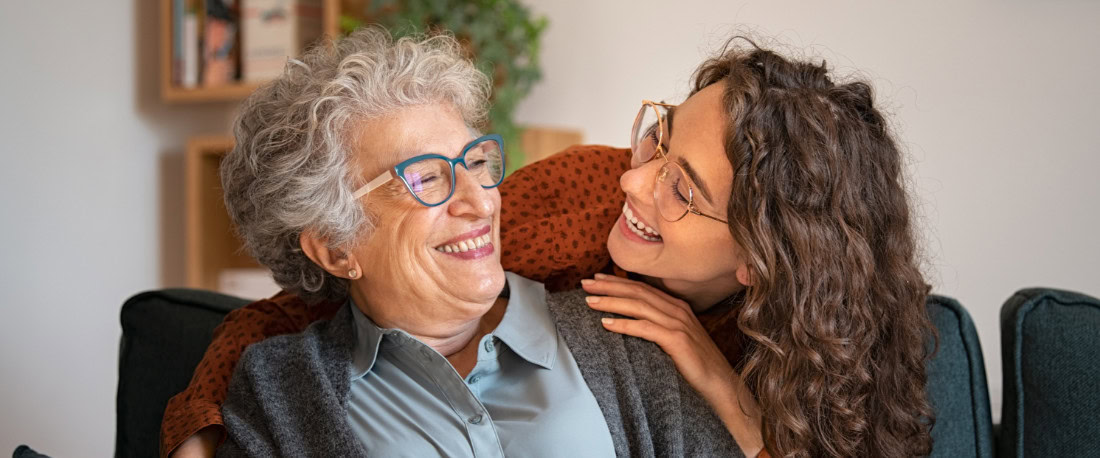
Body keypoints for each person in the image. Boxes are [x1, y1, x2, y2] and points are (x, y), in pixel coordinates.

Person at [165, 34, 935, 458]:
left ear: (758, 262)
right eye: (658, 139)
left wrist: (719, 384)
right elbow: (284, 317)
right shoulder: (586, 197)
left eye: (684, 191)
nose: (481, 201)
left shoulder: (652, 356)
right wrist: (199, 430)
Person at [202, 26, 739, 457]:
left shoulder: (627, 334)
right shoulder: (282, 392)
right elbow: (260, 322)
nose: (482, 200)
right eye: (427, 177)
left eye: (476, 162)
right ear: (336, 248)